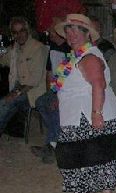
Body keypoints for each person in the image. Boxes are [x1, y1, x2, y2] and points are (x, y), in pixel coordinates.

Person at [52, 14, 116, 193]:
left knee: (73, 152)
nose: (71, 34)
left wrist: (96, 113)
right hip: (91, 113)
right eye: (68, 30)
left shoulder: (89, 56)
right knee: (103, 153)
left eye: (76, 30)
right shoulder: (78, 56)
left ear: (88, 34)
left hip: (90, 114)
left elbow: (98, 84)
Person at [31, 16, 71, 164]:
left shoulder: (69, 49)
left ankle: (52, 145)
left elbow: (67, 77)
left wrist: (57, 96)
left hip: (67, 91)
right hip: (56, 89)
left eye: (51, 29)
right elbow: (49, 74)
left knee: (54, 108)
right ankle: (56, 138)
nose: (48, 32)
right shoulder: (53, 48)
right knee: (41, 102)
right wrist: (51, 93)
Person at [0, 17, 48, 136]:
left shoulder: (38, 48)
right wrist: (3, 49)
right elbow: (2, 59)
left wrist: (15, 93)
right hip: (19, 87)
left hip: (33, 92)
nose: (19, 35)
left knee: (4, 103)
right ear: (12, 34)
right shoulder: (15, 48)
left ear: (27, 31)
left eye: (22, 31)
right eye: (15, 32)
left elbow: (34, 81)